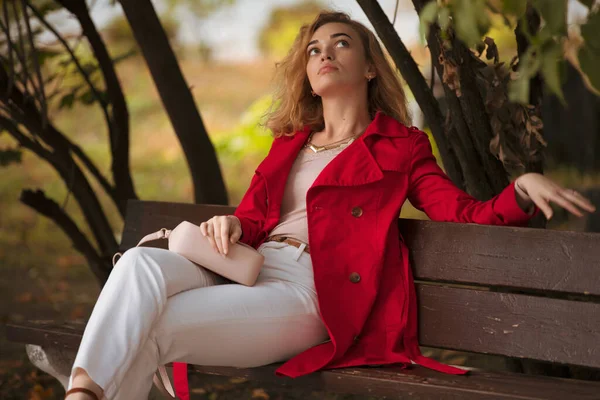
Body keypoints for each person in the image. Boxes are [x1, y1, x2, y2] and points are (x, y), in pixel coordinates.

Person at [64, 11, 596, 400]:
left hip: (309, 291)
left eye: (340, 44)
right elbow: (251, 220)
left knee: (152, 329)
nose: (324, 55)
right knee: (137, 264)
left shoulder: (401, 146)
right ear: (309, 73)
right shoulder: (290, 143)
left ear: (368, 68)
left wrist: (521, 187)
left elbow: (464, 213)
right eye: (315, 50)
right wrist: (228, 222)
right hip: (244, 270)